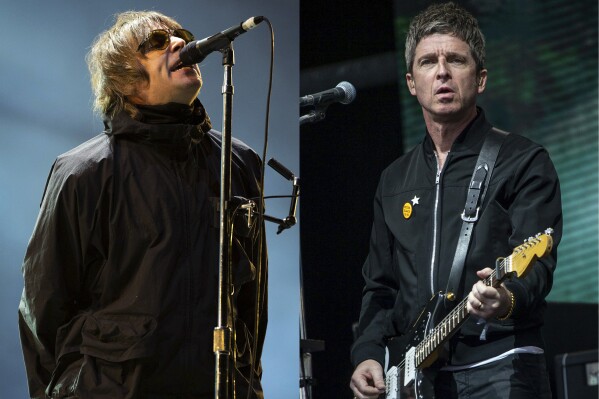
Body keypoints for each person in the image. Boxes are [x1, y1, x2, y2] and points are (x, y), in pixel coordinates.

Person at [18, 10, 267, 399]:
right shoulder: (82, 173)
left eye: (179, 35)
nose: (180, 43)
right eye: (156, 43)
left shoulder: (238, 163)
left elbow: (253, 303)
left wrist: (248, 383)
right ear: (125, 79)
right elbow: (43, 308)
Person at [349, 3, 562, 399]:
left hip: (502, 364)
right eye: (428, 61)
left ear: (480, 78)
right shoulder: (394, 180)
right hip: (420, 377)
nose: (442, 71)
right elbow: (379, 286)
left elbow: (538, 264)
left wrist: (504, 299)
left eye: (456, 60)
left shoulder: (523, 161)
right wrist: (366, 354)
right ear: (412, 82)